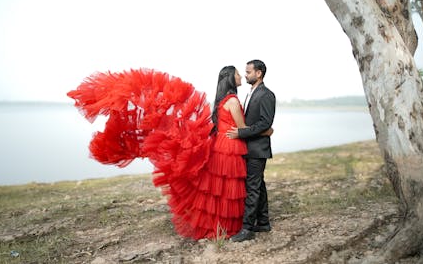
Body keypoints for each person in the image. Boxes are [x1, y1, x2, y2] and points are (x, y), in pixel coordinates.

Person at [67, 66, 256, 239]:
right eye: (238, 74)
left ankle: (220, 226)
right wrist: (265, 130)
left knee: (219, 188)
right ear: (231, 78)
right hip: (230, 147)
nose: (241, 76)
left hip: (220, 145)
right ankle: (230, 226)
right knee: (229, 187)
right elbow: (242, 127)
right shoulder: (232, 101)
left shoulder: (222, 100)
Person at [227, 59, 276, 242]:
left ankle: (247, 229)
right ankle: (263, 222)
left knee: (252, 188)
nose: (245, 75)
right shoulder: (251, 93)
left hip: (258, 149)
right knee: (259, 185)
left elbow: (265, 123)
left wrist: (242, 133)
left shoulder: (266, 95)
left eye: (248, 72)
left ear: (259, 73)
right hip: (251, 148)